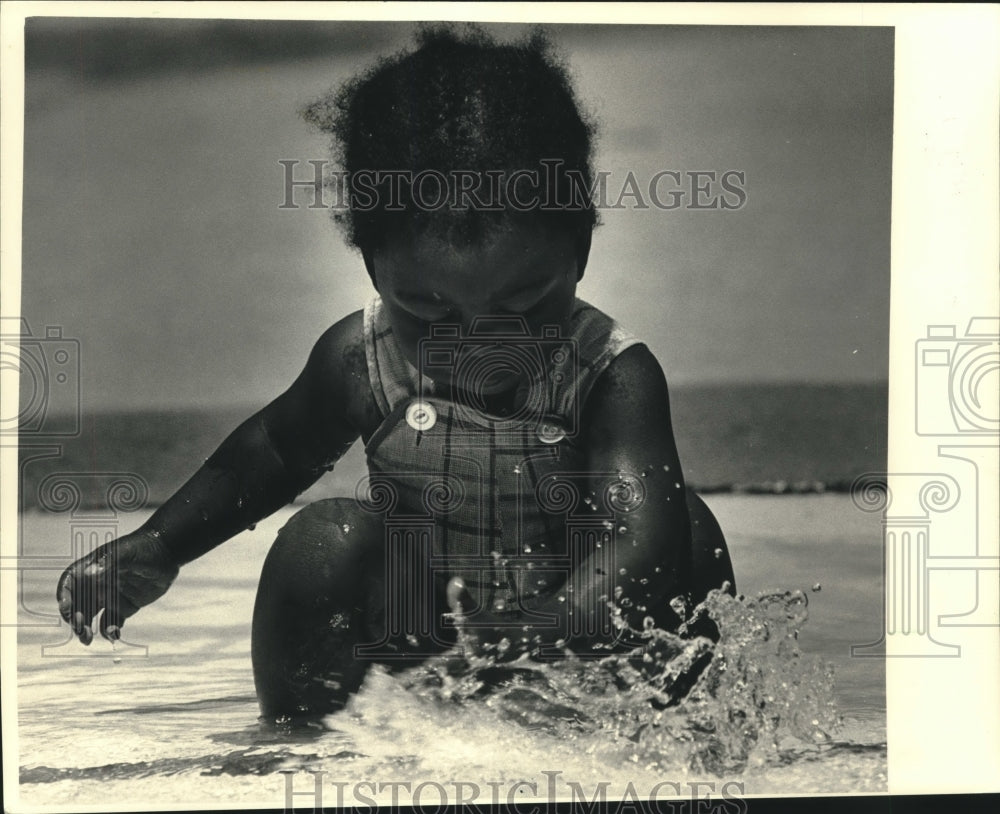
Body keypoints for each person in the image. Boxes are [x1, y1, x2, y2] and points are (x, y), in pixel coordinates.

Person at [57, 25, 735, 723]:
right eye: (427, 308)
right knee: (323, 540)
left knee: (682, 527)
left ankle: (704, 733)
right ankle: (296, 732)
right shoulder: (362, 358)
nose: (479, 338)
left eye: (524, 303)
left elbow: (637, 543)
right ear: (372, 266)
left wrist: (548, 626)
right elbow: (273, 453)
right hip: (423, 632)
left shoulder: (610, 375)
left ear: (581, 251)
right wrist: (163, 545)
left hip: (584, 641)